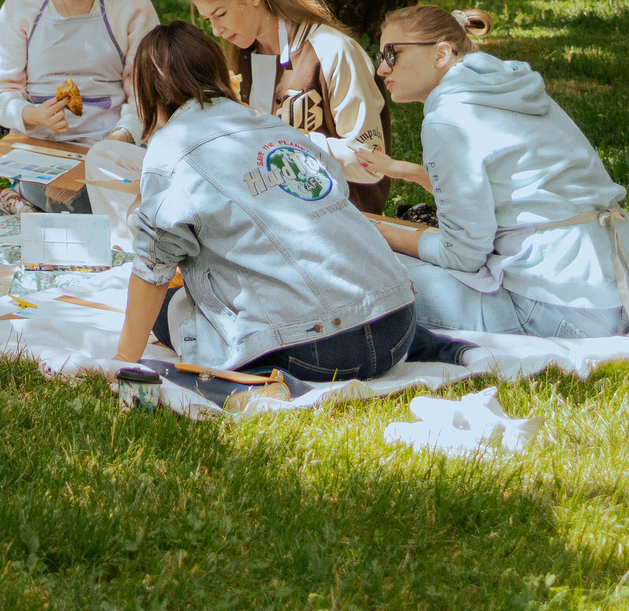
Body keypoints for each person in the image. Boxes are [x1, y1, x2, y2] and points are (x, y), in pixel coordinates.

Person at [111, 22, 416, 382]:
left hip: (312, 351)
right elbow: (335, 190)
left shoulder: (169, 150)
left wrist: (120, 362)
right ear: (215, 71)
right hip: (399, 325)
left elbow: (153, 266)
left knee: (167, 307)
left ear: (148, 92)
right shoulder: (276, 127)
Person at [372, 6, 629, 337]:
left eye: (392, 54)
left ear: (441, 53)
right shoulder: (511, 88)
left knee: (369, 274)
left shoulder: (448, 119)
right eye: (379, 56)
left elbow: (463, 256)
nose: (383, 69)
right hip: (617, 296)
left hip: (559, 312)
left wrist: (379, 233)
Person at [0, 0, 160, 236]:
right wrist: (31, 116)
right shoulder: (22, 3)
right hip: (43, 149)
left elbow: (147, 93)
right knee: (68, 198)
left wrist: (116, 142)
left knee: (105, 195)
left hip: (112, 145)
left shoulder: (131, 4)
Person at [186, 0, 407, 212]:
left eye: (220, 14)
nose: (216, 30)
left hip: (339, 217)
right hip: (270, 212)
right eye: (208, 19)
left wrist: (276, 139)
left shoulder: (332, 50)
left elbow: (370, 162)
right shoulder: (242, 58)